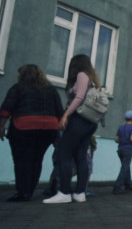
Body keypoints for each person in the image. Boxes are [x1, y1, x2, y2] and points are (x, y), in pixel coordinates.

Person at [0, 64, 64, 201]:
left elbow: (6, 108)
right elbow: (60, 112)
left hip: (24, 127)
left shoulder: (18, 88)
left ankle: (22, 192)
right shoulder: (51, 89)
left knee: (22, 160)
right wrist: (58, 132)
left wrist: (1, 126)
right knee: (37, 159)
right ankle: (29, 191)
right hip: (48, 129)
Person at [44, 54, 100, 204]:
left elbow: (79, 97)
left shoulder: (82, 75)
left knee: (64, 153)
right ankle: (80, 193)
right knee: (81, 155)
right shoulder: (93, 80)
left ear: (76, 65)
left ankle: (64, 192)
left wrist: (66, 115)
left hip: (79, 120)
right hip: (90, 122)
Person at [113, 110, 132, 194]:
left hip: (120, 149)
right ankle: (117, 187)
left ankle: (128, 185)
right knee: (124, 168)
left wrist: (122, 140)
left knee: (126, 166)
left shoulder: (121, 127)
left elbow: (116, 139)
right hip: (128, 149)